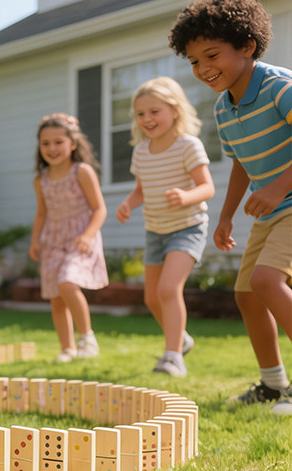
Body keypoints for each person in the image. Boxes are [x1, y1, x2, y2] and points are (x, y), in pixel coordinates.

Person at [170, 0, 292, 413]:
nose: (203, 69)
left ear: (247, 46)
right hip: (272, 212)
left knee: (266, 282)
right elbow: (241, 163)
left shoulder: (280, 87)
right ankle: (274, 384)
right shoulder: (224, 108)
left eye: (212, 55)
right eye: (194, 62)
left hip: (290, 203)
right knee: (247, 294)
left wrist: (276, 187)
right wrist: (225, 216)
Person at [116, 77, 215, 377]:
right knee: (151, 298)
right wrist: (128, 204)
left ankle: (172, 357)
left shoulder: (188, 145)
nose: (147, 119)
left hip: (188, 226)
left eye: (154, 111)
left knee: (169, 289)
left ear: (174, 110)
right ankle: (181, 339)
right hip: (155, 230)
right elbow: (141, 189)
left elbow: (207, 187)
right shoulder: (141, 152)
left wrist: (186, 196)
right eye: (140, 114)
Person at [29, 113, 108, 363]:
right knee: (55, 297)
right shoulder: (40, 181)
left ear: (72, 144)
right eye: (46, 143)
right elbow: (42, 213)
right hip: (53, 240)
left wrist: (88, 235)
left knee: (67, 283)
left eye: (58, 142)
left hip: (80, 238)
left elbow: (99, 208)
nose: (52, 148)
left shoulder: (81, 171)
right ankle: (67, 348)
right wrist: (35, 240)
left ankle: (87, 338)